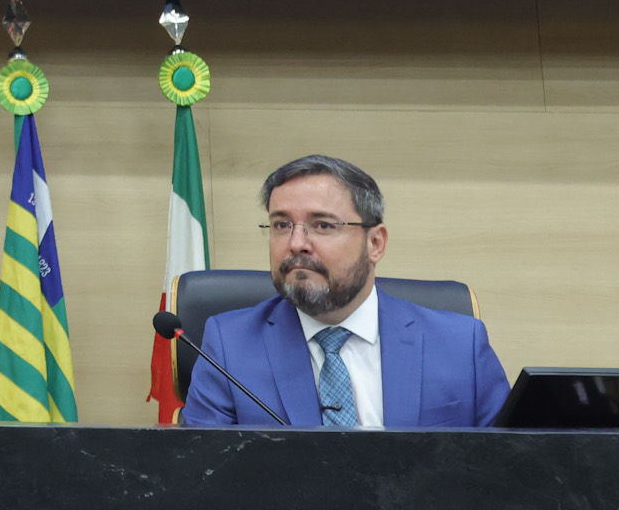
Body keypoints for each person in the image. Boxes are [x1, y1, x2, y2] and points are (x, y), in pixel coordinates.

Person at [180, 155, 508, 430]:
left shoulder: (460, 344)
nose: (296, 244)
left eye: (322, 225)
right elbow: (202, 479)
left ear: (375, 243)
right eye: (282, 225)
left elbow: (513, 470)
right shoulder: (228, 346)